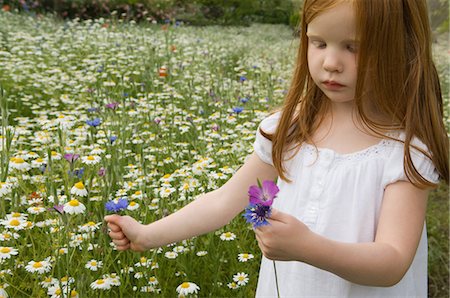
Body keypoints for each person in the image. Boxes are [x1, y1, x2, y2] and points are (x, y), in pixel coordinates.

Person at [105, 0, 449, 296]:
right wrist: (148, 235)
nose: (331, 62)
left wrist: (309, 248)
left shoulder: (404, 151)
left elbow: (392, 261)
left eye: (353, 47)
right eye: (318, 42)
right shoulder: (290, 129)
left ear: (398, 49)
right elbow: (225, 201)